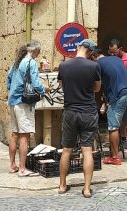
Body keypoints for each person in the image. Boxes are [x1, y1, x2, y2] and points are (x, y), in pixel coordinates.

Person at [57, 39, 101, 197]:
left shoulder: (64, 66)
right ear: (90, 52)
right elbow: (97, 88)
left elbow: (63, 86)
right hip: (88, 111)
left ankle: (62, 185)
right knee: (87, 150)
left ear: (78, 47)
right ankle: (87, 189)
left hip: (70, 111)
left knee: (66, 149)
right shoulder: (94, 66)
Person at [7, 41, 49, 177]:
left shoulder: (16, 62)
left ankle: (12, 165)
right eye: (38, 52)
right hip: (24, 103)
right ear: (35, 51)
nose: (38, 55)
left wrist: (14, 90)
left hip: (13, 101)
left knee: (14, 134)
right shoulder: (30, 62)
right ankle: (22, 169)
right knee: (25, 136)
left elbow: (8, 80)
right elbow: (36, 83)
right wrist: (44, 89)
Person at [91, 49, 127, 165]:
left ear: (94, 57)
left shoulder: (98, 64)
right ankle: (114, 154)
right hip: (125, 92)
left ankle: (115, 157)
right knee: (122, 123)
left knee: (113, 127)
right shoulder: (117, 59)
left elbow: (97, 84)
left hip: (118, 95)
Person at [108, 39, 127, 147]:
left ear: (120, 49)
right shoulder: (113, 60)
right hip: (117, 93)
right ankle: (122, 139)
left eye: (114, 52)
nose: (111, 54)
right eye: (110, 52)